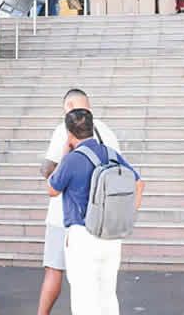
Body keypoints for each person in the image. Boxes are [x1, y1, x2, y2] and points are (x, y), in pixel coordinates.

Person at [46, 108, 144, 315]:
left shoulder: (72, 160)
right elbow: (139, 183)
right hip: (111, 233)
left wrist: (64, 154)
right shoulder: (111, 153)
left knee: (84, 300)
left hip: (83, 235)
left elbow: (52, 189)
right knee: (108, 296)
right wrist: (128, 215)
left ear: (69, 132)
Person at [38, 89, 122, 315]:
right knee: (105, 290)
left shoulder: (65, 131)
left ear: (69, 107)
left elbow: (50, 176)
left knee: (57, 271)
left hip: (68, 220)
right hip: (105, 222)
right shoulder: (108, 133)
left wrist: (66, 159)